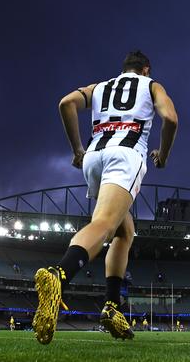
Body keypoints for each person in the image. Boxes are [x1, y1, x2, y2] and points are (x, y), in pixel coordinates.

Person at [32, 51, 178, 345]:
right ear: (145, 69)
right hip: (126, 155)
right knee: (105, 225)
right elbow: (171, 119)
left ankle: (112, 307)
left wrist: (76, 150)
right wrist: (162, 155)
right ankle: (59, 275)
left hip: (94, 156)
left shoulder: (100, 87)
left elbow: (66, 103)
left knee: (126, 232)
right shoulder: (151, 86)